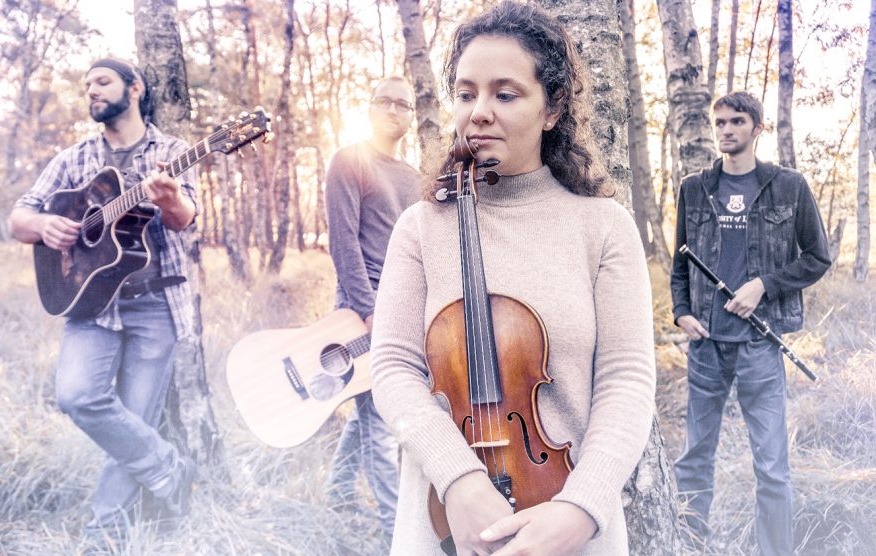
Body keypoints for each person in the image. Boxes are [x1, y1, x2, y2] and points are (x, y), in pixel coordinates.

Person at [368, 2, 657, 554]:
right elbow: (393, 368)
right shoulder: (422, 226)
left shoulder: (602, 226)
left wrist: (581, 506)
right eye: (465, 92)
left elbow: (626, 381)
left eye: (505, 94)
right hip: (449, 518)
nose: (478, 111)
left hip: (570, 523)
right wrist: (459, 478)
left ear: (552, 110)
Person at [8, 58, 199, 538]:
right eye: (86, 83)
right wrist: (43, 225)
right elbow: (18, 218)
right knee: (76, 396)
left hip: (157, 304)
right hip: (90, 304)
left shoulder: (172, 152)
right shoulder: (74, 158)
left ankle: (105, 533)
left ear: (134, 88)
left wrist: (169, 197)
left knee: (133, 420)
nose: (90, 89)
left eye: (102, 81)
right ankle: (169, 468)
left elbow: (185, 218)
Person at [671, 91, 830, 555]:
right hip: (706, 346)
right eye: (719, 122)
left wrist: (765, 284)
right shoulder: (693, 188)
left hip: (760, 346)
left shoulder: (789, 187)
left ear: (757, 128)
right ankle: (691, 544)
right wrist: (682, 313)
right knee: (695, 456)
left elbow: (818, 257)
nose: (726, 130)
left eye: (736, 122)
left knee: (772, 466)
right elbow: (680, 263)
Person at [324, 75, 420, 544]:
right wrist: (367, 310)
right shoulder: (349, 161)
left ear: (411, 115)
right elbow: (343, 243)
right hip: (361, 308)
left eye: (402, 105)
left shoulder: (416, 178)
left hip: (404, 308)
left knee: (368, 412)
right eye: (383, 101)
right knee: (383, 421)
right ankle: (395, 534)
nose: (392, 111)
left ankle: (338, 491)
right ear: (369, 108)